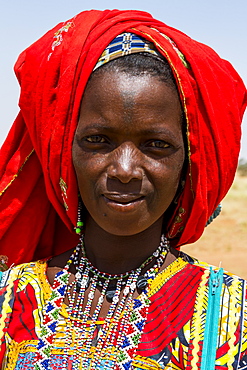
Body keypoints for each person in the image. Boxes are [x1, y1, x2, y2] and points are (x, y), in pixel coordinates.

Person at [0, 9, 246, 370]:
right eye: (98, 140)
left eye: (156, 145)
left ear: (188, 165)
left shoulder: (230, 317)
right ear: (64, 154)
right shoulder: (10, 301)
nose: (125, 170)